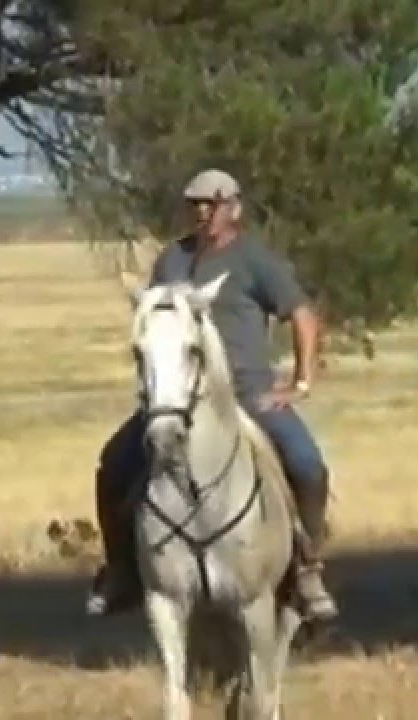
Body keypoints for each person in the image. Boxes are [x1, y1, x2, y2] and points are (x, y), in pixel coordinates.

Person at [90, 168, 338, 624]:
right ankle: (122, 569)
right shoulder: (171, 261)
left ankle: (306, 566)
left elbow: (302, 316)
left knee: (306, 464)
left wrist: (300, 383)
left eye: (213, 204)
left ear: (234, 208)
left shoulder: (255, 260)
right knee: (114, 465)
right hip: (177, 401)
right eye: (196, 204)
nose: (203, 213)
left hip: (248, 395)